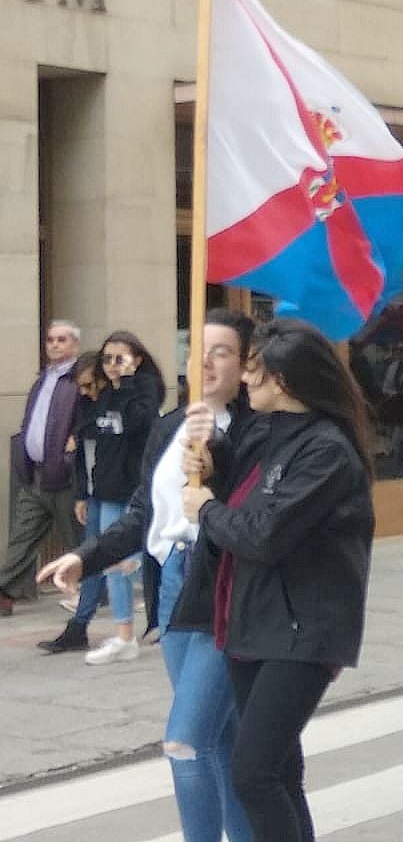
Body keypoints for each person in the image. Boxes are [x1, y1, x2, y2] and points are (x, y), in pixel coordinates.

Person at [40, 309, 257, 840]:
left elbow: (254, 518)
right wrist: (84, 557)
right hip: (173, 591)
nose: (204, 361)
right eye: (197, 348)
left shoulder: (258, 430)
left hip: (225, 592)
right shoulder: (168, 427)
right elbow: (143, 513)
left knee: (185, 741)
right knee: (221, 738)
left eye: (221, 351)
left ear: (248, 364)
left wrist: (217, 454)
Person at [177, 318, 375, 840]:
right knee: (281, 772)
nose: (245, 380)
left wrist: (207, 509)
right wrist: (210, 464)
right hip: (254, 620)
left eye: (255, 373)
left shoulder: (327, 451)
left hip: (305, 628)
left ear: (284, 383)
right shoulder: (268, 433)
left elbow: (265, 534)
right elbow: (247, 492)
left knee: (254, 773)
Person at [75, 330, 166, 663]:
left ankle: (133, 633)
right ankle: (125, 634)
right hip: (105, 486)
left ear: (137, 359)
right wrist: (84, 492)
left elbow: (134, 423)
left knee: (124, 558)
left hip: (133, 486)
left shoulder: (144, 390)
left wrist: (126, 383)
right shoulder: (104, 394)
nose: (112, 365)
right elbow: (94, 440)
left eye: (120, 358)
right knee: (113, 560)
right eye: (108, 358)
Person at [0, 321, 83, 616]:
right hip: (35, 473)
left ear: (74, 344)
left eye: (62, 340)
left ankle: (94, 592)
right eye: (50, 340)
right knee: (22, 536)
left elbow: (86, 422)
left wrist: (70, 456)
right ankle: (5, 591)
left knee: (77, 539)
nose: (55, 345)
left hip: (64, 476)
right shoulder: (43, 379)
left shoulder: (79, 380)